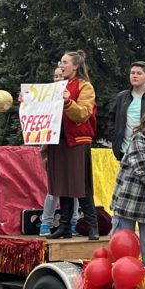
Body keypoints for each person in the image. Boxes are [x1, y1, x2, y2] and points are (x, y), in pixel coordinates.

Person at [47, 50, 97, 240]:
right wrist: (28, 101)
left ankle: (92, 226)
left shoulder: (85, 87)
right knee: (62, 184)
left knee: (80, 184)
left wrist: (68, 101)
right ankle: (65, 227)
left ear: (75, 66)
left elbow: (83, 113)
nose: (61, 65)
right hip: (58, 140)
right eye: (60, 62)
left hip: (77, 141)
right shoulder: (56, 87)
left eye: (65, 62)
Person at [110, 107, 145, 268]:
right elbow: (143, 168)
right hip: (129, 199)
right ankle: (121, 276)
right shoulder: (138, 137)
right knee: (123, 243)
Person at [39, 66, 79, 236]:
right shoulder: (46, 97)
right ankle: (46, 223)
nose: (58, 79)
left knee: (74, 188)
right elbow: (39, 118)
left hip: (71, 147)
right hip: (53, 148)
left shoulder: (73, 96)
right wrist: (26, 100)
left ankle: (73, 221)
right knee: (54, 189)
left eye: (61, 76)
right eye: (55, 76)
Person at [108, 61, 145, 161]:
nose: (135, 76)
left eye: (139, 73)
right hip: (124, 150)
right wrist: (115, 137)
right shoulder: (122, 97)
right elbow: (111, 118)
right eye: (132, 73)